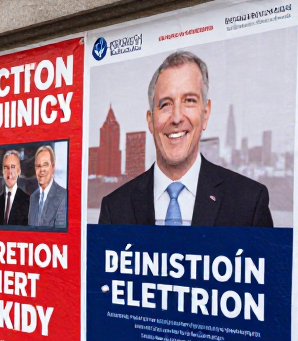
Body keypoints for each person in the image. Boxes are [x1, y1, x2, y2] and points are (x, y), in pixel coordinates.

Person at [98, 51, 274, 227]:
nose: (176, 118)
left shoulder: (250, 203)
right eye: (166, 104)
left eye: (189, 100)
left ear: (205, 114)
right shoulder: (114, 208)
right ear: (151, 120)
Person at [27, 145, 67, 229]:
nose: (41, 170)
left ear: (52, 166)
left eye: (45, 165)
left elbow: (61, 234)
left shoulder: (63, 196)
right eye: (38, 166)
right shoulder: (33, 197)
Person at [0, 150, 30, 225]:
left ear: (19, 171)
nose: (9, 172)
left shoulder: (28, 202)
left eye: (13, 167)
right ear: (2, 172)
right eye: (6, 167)